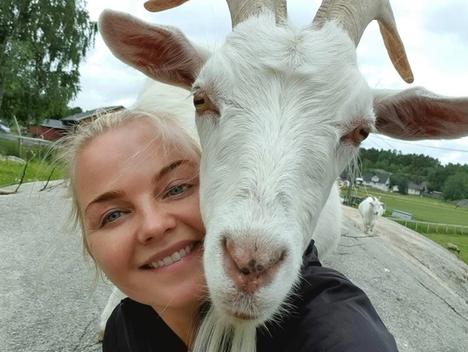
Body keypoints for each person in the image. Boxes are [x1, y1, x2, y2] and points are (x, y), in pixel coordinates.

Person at [62, 108, 398, 351]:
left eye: (177, 189)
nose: (154, 226)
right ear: (89, 246)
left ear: (217, 185)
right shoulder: (124, 331)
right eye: (113, 215)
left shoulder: (326, 320)